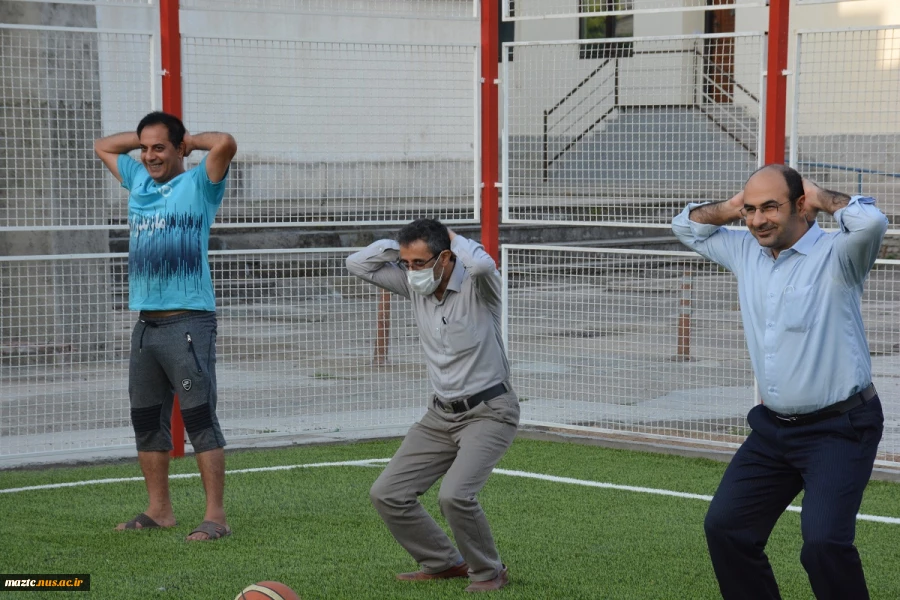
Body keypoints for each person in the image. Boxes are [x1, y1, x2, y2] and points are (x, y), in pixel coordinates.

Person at [672, 164, 887, 599]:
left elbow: (873, 221)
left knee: (824, 544)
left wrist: (823, 197)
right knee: (727, 528)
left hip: (840, 428)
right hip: (773, 429)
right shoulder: (745, 249)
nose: (757, 220)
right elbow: (686, 227)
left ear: (800, 205)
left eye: (770, 207)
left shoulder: (838, 254)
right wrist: (734, 205)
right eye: (750, 210)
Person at [346, 219, 519, 592]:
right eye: (406, 264)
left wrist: (453, 237)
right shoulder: (415, 285)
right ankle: (442, 563)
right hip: (439, 415)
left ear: (445, 258)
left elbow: (484, 264)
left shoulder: (480, 287)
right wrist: (403, 248)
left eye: (419, 264)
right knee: (387, 494)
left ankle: (489, 571)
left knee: (455, 495)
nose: (411, 273)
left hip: (490, 411)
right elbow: (356, 264)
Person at [94, 111, 237, 541]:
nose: (150, 155)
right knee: (146, 420)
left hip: (189, 321)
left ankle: (216, 517)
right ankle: (160, 511)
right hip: (145, 326)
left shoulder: (200, 184)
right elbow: (103, 145)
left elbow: (226, 142)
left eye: (160, 147)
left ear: (180, 149)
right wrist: (148, 138)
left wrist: (190, 139)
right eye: (145, 148)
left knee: (199, 420)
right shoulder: (137, 179)